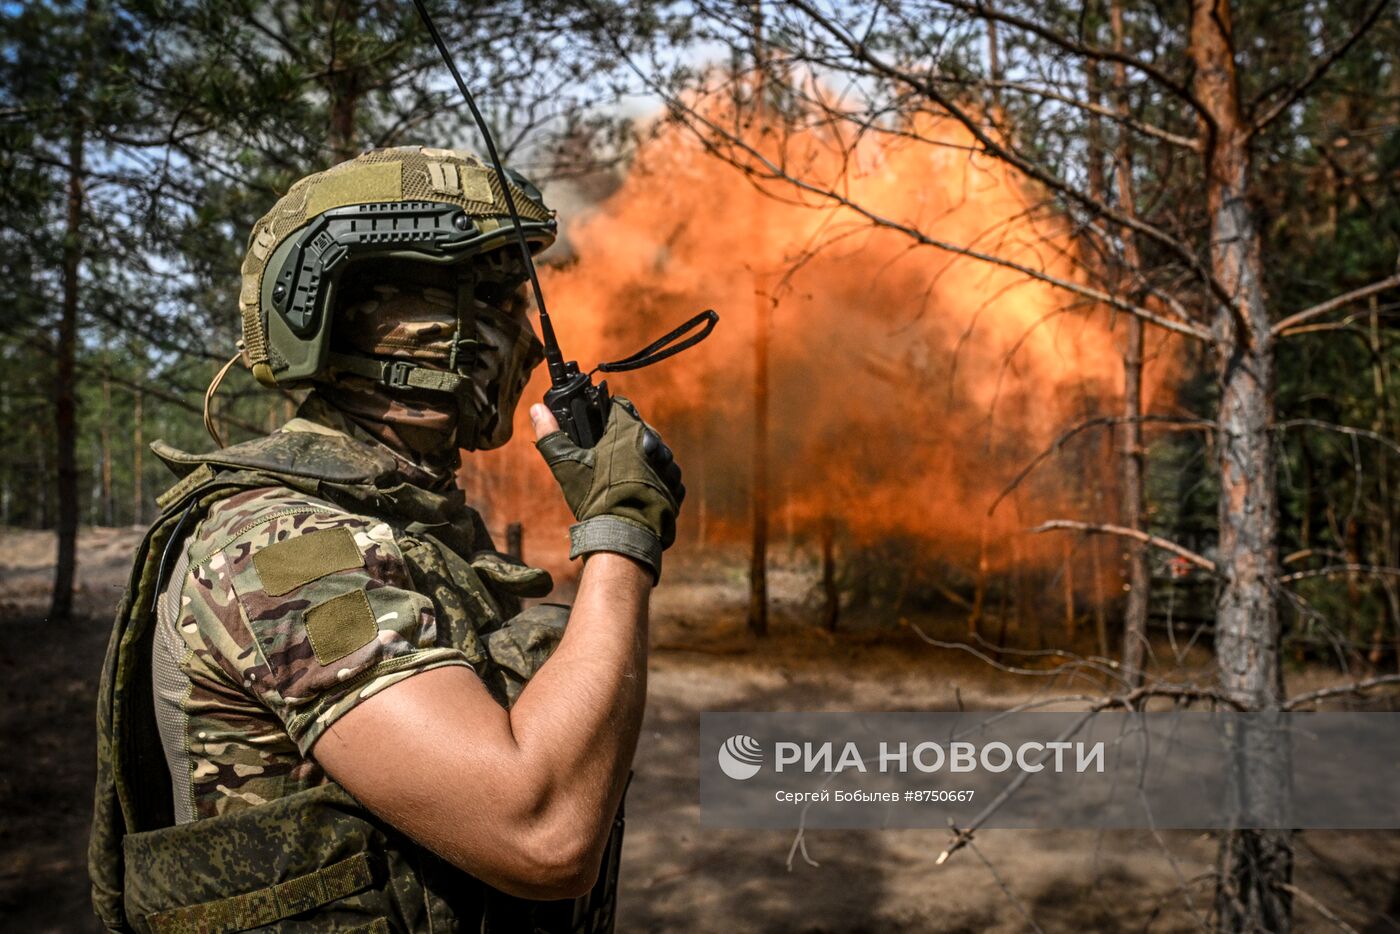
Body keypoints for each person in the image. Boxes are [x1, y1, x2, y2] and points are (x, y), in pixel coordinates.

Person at [89, 146, 685, 933]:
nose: (532, 343)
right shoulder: (286, 550)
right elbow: (541, 830)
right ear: (384, 324)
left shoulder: (406, 524)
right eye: (503, 303)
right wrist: (620, 534)